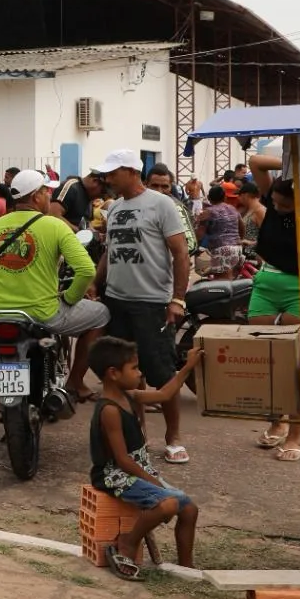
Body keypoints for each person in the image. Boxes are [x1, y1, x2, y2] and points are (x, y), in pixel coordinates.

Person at [89, 149, 192, 465]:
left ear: (132, 172)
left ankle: (173, 437)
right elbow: (111, 249)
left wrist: (177, 299)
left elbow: (180, 253)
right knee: (126, 374)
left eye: (112, 173)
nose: (107, 179)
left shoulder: (162, 205)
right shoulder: (116, 207)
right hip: (117, 301)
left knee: (161, 371)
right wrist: (96, 280)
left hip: (151, 304)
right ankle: (139, 433)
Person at [0, 170, 109, 401]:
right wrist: (69, 298)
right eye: (47, 192)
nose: (50, 196)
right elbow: (87, 270)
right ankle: (76, 382)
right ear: (36, 196)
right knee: (102, 315)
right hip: (42, 313)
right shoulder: (55, 226)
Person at [88, 336, 203, 576]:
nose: (140, 374)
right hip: (114, 476)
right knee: (168, 503)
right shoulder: (109, 409)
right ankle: (128, 542)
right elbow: (122, 460)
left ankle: (186, 567)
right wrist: (153, 482)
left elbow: (164, 393)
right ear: (113, 373)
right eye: (134, 368)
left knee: (189, 509)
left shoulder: (130, 396)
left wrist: (188, 367)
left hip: (137, 471)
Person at [246, 153, 300, 461]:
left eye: (285, 204)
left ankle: (296, 435)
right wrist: (296, 164)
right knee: (267, 361)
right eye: (276, 203)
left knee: (298, 366)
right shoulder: (274, 200)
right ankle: (276, 423)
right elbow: (256, 161)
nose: (278, 208)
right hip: (266, 286)